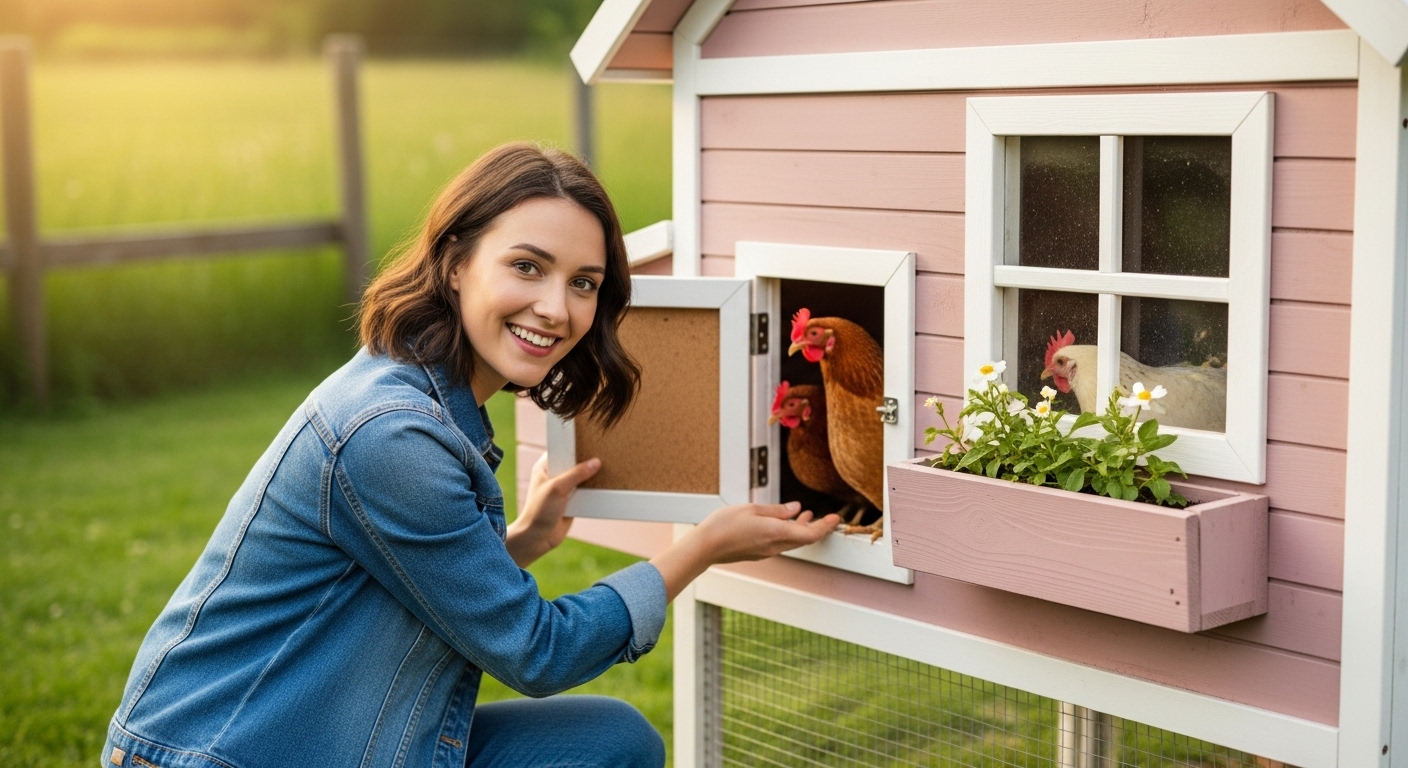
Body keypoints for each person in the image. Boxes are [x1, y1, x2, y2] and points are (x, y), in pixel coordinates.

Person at [101, 143, 840, 768]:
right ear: (455, 262)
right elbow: (537, 652)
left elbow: (413, 580)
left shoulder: (420, 389)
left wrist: (521, 542)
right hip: (224, 751)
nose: (557, 308)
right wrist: (702, 547)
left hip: (332, 733)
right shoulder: (391, 434)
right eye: (528, 267)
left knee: (610, 743)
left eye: (583, 283)